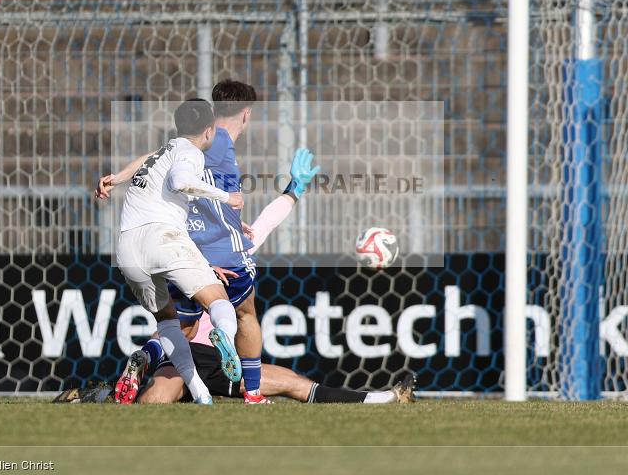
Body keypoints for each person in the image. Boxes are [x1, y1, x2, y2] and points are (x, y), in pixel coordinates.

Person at [114, 80, 321, 405]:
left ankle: (151, 358)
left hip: (147, 248)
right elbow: (186, 182)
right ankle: (251, 390)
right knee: (244, 313)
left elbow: (155, 160)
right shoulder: (218, 142)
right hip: (207, 254)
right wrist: (288, 191)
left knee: (178, 327)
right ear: (246, 115)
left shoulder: (184, 147)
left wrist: (118, 177)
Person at [99, 98, 244, 405]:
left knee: (168, 322)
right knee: (217, 300)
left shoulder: (167, 149)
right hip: (162, 237)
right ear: (209, 131)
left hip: (127, 249)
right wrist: (225, 197)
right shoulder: (191, 152)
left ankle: (201, 394)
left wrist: (117, 178)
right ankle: (226, 338)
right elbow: (181, 182)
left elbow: (145, 159)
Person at [137, 342, 415, 405]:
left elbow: (266, 224)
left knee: (295, 383)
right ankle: (114, 394)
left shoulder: (232, 257)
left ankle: (386, 397)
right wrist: (148, 353)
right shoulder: (177, 267)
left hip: (222, 361)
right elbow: (164, 328)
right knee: (153, 403)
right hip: (182, 357)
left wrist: (293, 193)